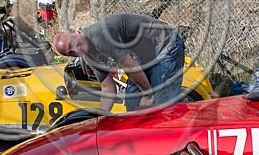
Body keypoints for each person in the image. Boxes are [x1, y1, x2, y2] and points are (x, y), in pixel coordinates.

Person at [52, 13, 185, 111]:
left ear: (74, 31)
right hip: (144, 59)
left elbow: (130, 66)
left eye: (72, 43)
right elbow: (107, 88)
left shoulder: (100, 36)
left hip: (165, 46)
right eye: (70, 52)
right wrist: (101, 115)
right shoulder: (88, 56)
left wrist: (148, 94)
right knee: (133, 104)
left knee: (161, 106)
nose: (75, 49)